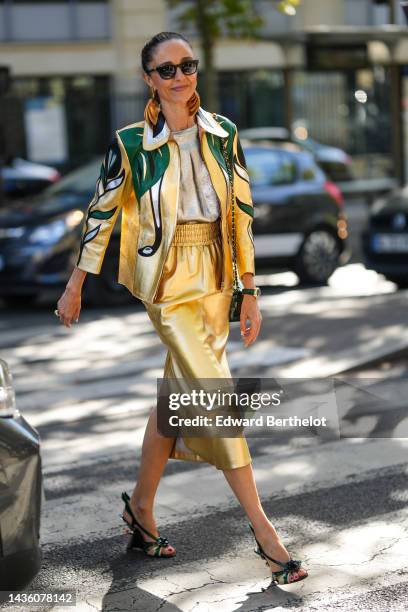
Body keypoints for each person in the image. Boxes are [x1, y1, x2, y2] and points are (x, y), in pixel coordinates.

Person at [55, 31, 308, 585]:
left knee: (177, 399)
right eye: (166, 70)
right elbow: (100, 213)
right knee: (215, 396)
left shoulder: (223, 134)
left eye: (187, 66)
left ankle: (141, 512)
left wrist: (250, 289)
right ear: (149, 79)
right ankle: (266, 533)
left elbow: (240, 212)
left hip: (218, 275)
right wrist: (76, 282)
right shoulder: (132, 143)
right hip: (169, 281)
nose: (180, 77)